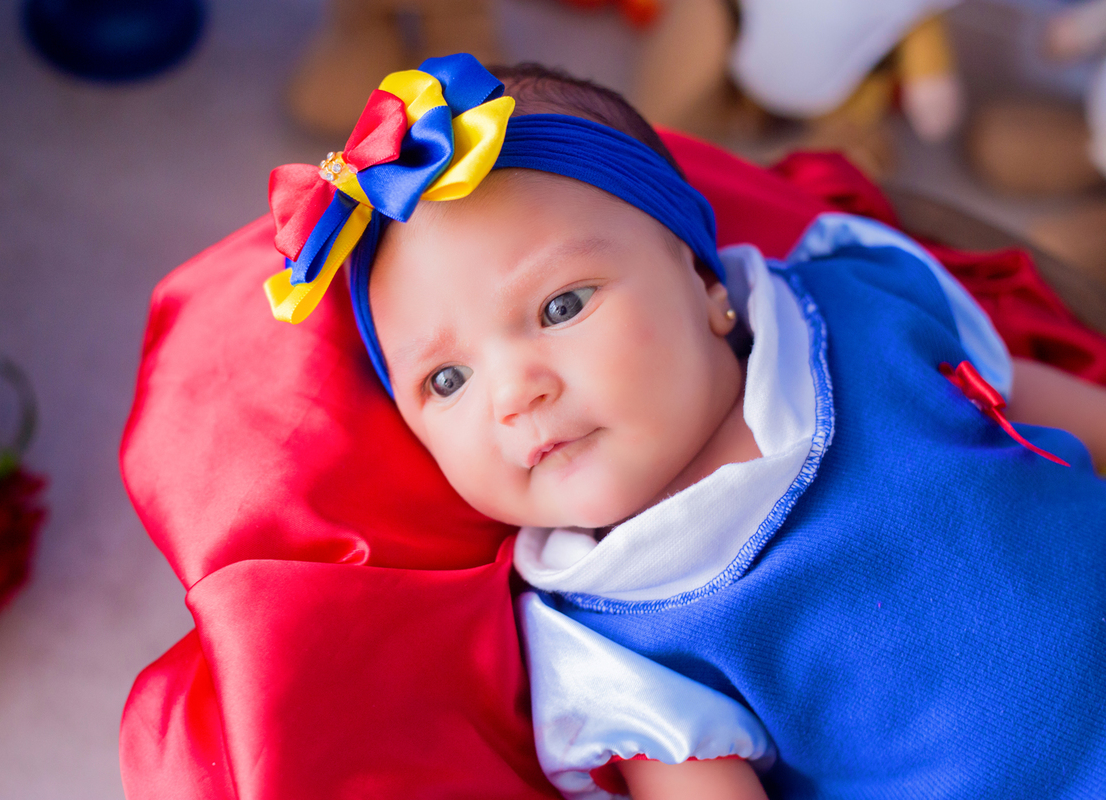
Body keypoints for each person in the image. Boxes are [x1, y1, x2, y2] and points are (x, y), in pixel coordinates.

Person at [265, 54, 1106, 799]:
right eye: (446, 380)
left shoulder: (848, 307)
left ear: (704, 281)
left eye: (561, 306)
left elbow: (1020, 395)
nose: (513, 394)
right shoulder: (616, 632)